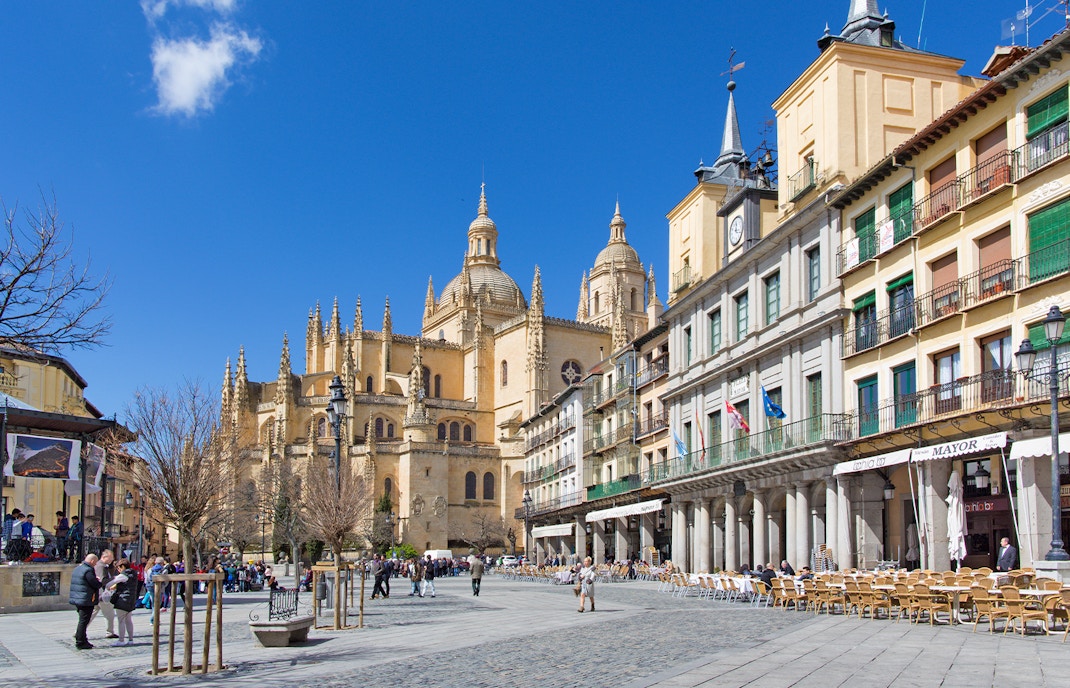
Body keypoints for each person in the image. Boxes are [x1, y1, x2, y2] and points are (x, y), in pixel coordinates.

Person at [70, 553, 101, 649]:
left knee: (82, 620)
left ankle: (83, 639)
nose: (95, 565)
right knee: (83, 621)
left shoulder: (78, 568)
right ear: (92, 561)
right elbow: (93, 583)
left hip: (78, 598)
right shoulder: (88, 570)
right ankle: (80, 641)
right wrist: (99, 582)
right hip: (85, 599)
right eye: (95, 563)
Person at [105, 558, 139, 646]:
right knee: (128, 620)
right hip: (131, 599)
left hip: (123, 600)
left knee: (121, 621)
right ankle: (131, 639)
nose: (118, 570)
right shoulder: (133, 574)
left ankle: (121, 640)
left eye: (119, 568)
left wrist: (109, 586)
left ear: (123, 566)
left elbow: (109, 584)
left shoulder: (123, 575)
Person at [93, 549, 118, 639]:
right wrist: (114, 579)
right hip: (103, 594)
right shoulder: (101, 566)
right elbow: (103, 581)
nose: (112, 560)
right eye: (111, 558)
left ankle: (78, 631)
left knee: (92, 613)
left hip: (99, 594)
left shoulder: (102, 566)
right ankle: (109, 632)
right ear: (104, 557)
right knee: (110, 614)